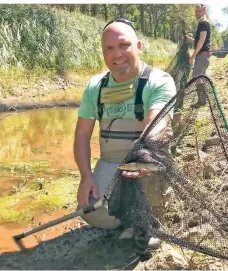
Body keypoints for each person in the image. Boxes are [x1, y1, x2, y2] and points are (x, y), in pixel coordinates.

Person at [74, 18, 176, 249]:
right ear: (103, 54)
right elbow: (81, 135)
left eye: (124, 45)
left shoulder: (160, 81)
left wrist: (140, 157)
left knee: (149, 177)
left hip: (147, 159)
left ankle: (150, 220)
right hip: (110, 162)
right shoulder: (95, 86)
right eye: (109, 48)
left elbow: (156, 125)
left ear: (138, 47)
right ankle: (129, 217)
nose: (117, 54)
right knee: (88, 210)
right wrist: (85, 176)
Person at [184, 4, 212, 108]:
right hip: (204, 55)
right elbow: (197, 41)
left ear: (204, 12)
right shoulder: (202, 23)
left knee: (196, 77)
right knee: (200, 78)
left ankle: (202, 101)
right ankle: (203, 100)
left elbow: (201, 41)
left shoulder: (204, 23)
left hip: (202, 55)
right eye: (196, 11)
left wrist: (192, 57)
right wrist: (188, 38)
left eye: (200, 11)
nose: (197, 13)